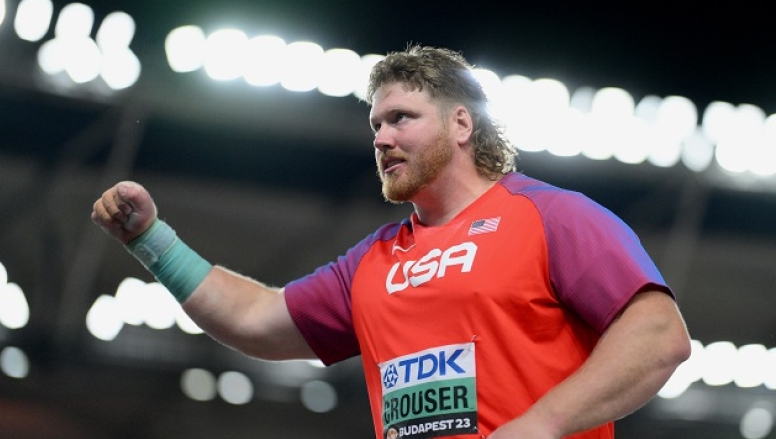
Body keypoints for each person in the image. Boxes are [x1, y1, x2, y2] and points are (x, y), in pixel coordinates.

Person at [92, 45, 692, 439]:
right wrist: (150, 239)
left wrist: (542, 424)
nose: (381, 138)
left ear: (461, 123)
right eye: (375, 124)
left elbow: (659, 335)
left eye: (402, 118)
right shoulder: (373, 261)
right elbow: (255, 319)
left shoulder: (551, 216)